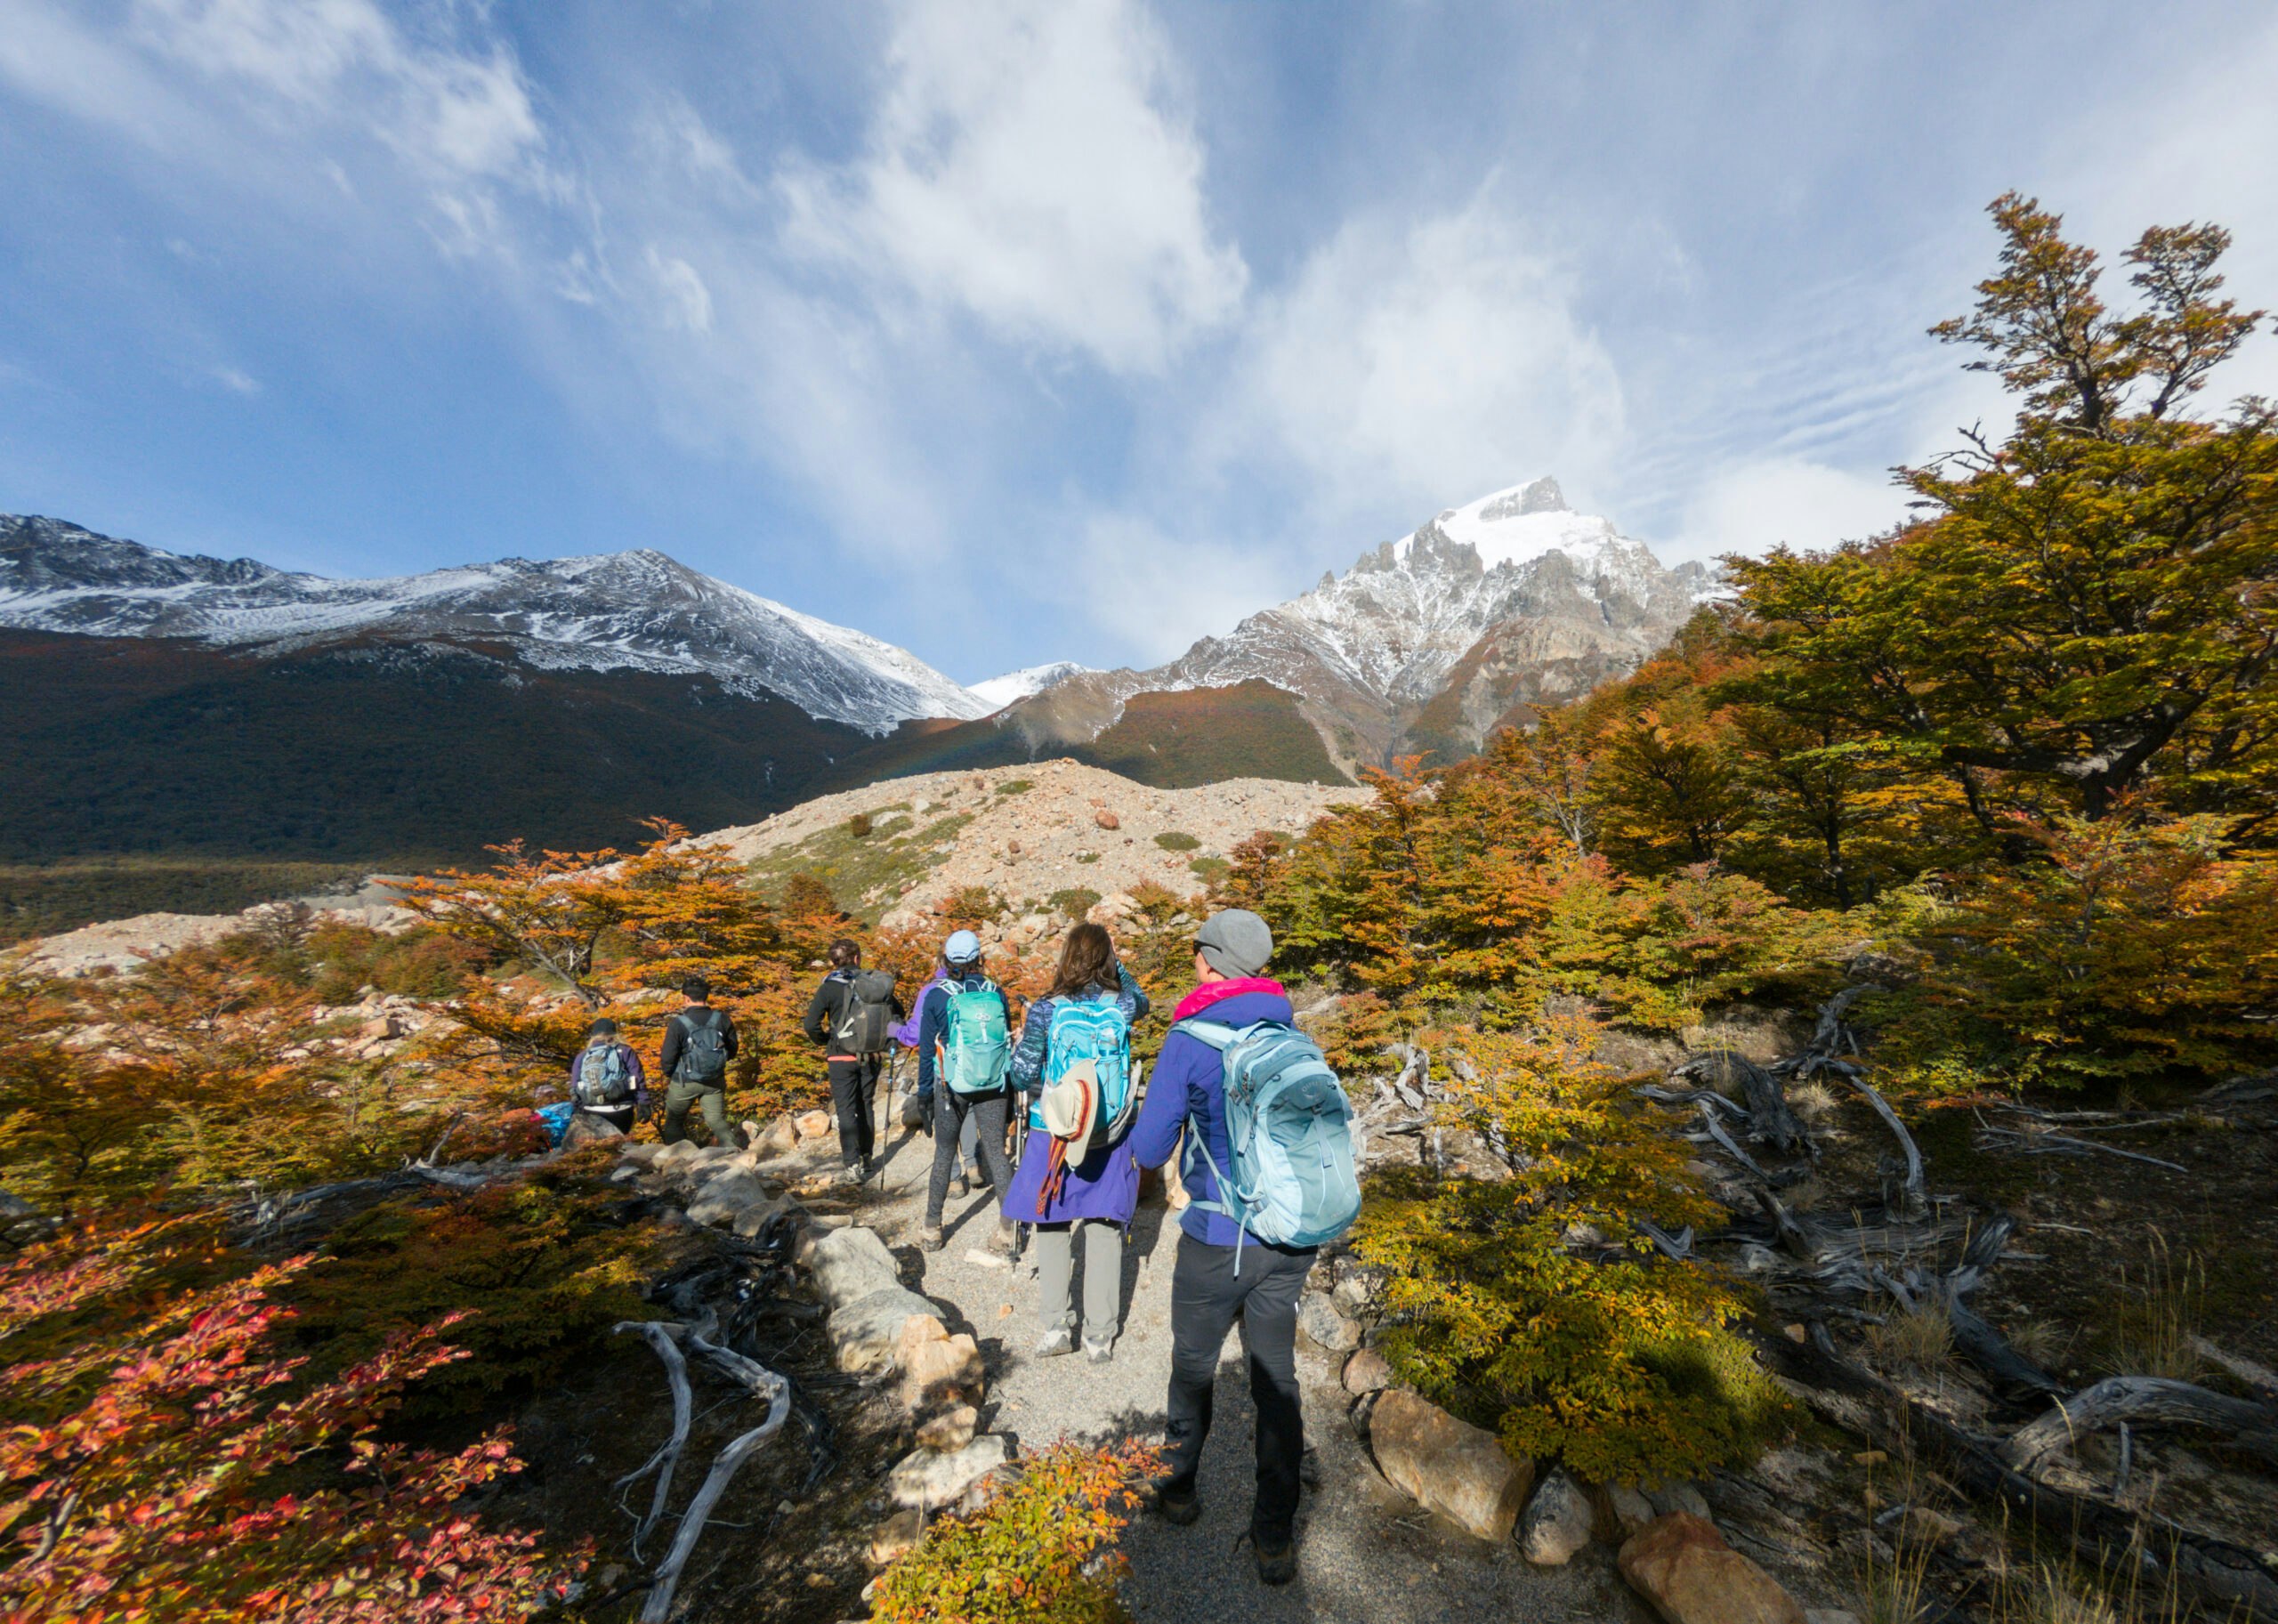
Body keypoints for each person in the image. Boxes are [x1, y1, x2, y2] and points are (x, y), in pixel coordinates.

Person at [1129, 909, 1307, 1586]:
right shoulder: (1289, 1026)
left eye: (1197, 952)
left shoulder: (1188, 1037)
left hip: (1215, 1237)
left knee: (1195, 1367)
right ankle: (1274, 1537)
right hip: (1288, 1239)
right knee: (1277, 1381)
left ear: (1210, 961)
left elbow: (1149, 1149)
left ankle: (1177, 1489)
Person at [1000, 923, 1150, 1361]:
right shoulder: (1121, 1004)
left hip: (1056, 1132)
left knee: (1050, 1222)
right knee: (1104, 1226)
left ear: (1066, 958)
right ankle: (1099, 1337)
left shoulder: (1047, 1008)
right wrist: (1116, 966)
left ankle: (1055, 1329)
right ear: (1108, 960)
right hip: (1110, 1129)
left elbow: (1023, 1073)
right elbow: (1141, 999)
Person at [913, 930, 1019, 1256]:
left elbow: (927, 1050)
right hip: (993, 1083)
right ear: (978, 958)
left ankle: (932, 1228)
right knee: (997, 1153)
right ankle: (1008, 1230)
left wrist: (924, 1096)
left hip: (951, 1085)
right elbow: (1004, 1043)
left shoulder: (935, 994)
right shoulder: (995, 991)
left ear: (946, 958)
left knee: (944, 1151)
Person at [803, 939, 904, 1184]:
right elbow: (898, 1014)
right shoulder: (874, 984)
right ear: (857, 958)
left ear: (832, 962)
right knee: (865, 1104)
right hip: (872, 1053)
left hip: (840, 1054)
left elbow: (810, 1024)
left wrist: (826, 1040)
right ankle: (868, 1156)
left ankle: (852, 1165)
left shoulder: (829, 987)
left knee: (846, 1109)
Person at [896, 962, 984, 1192]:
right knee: (969, 1111)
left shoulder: (932, 991)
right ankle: (973, 1164)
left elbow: (915, 1036)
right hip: (974, 1062)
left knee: (945, 1114)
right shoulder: (978, 985)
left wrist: (894, 1030)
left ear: (939, 965)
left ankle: (954, 1179)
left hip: (943, 1063)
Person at [659, 975, 744, 1148]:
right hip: (715, 1080)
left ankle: (680, 1160)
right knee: (716, 1120)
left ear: (686, 998)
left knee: (674, 1121)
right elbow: (733, 1049)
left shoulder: (678, 1023)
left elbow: (668, 1057)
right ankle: (733, 1153)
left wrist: (672, 1075)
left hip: (684, 1082)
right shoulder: (721, 1019)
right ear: (706, 996)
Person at [567, 1016, 646, 1136]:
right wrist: (644, 1103)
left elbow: (575, 1086)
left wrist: (577, 1111)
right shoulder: (625, 1050)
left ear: (593, 1035)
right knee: (620, 1145)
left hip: (592, 1110)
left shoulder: (582, 1056)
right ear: (615, 1033)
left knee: (600, 1149)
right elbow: (638, 1079)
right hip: (622, 1109)